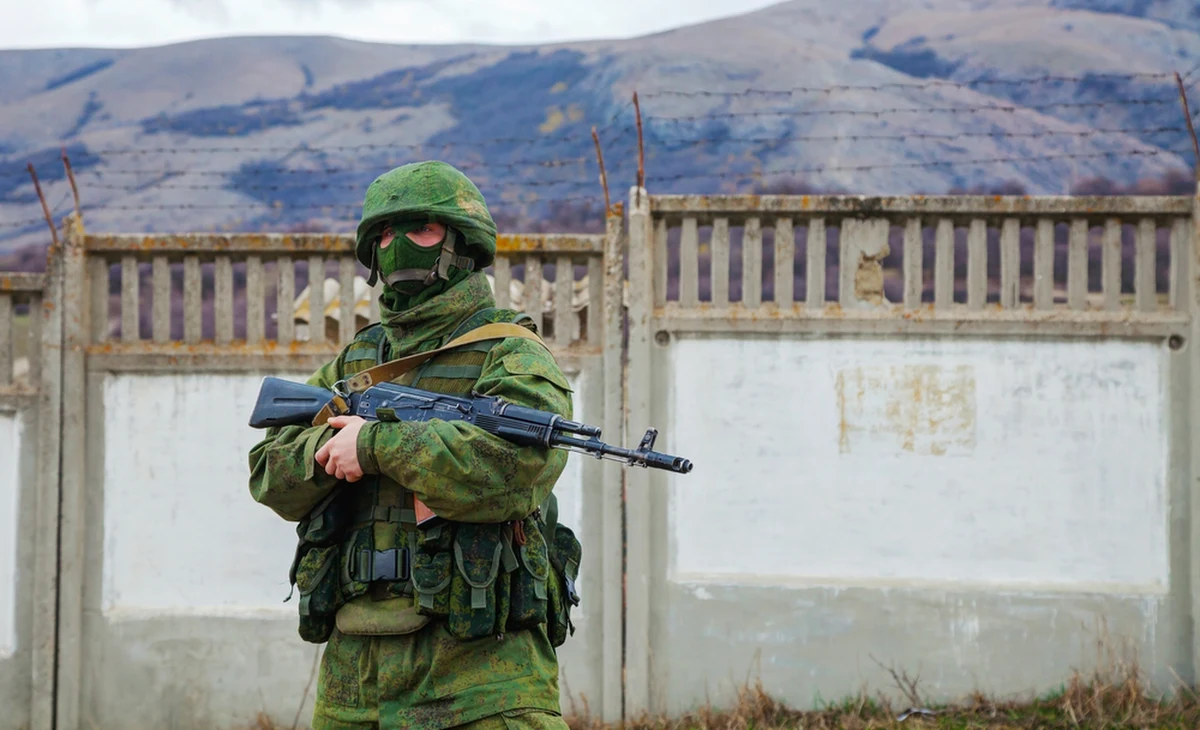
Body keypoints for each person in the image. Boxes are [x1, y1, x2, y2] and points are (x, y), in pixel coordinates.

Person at [247, 160, 580, 730]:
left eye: (420, 229)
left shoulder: (512, 353)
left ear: (462, 243)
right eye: (383, 233)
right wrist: (329, 454)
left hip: (482, 678)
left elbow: (516, 466)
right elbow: (269, 475)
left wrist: (376, 446)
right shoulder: (357, 362)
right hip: (355, 679)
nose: (397, 245)